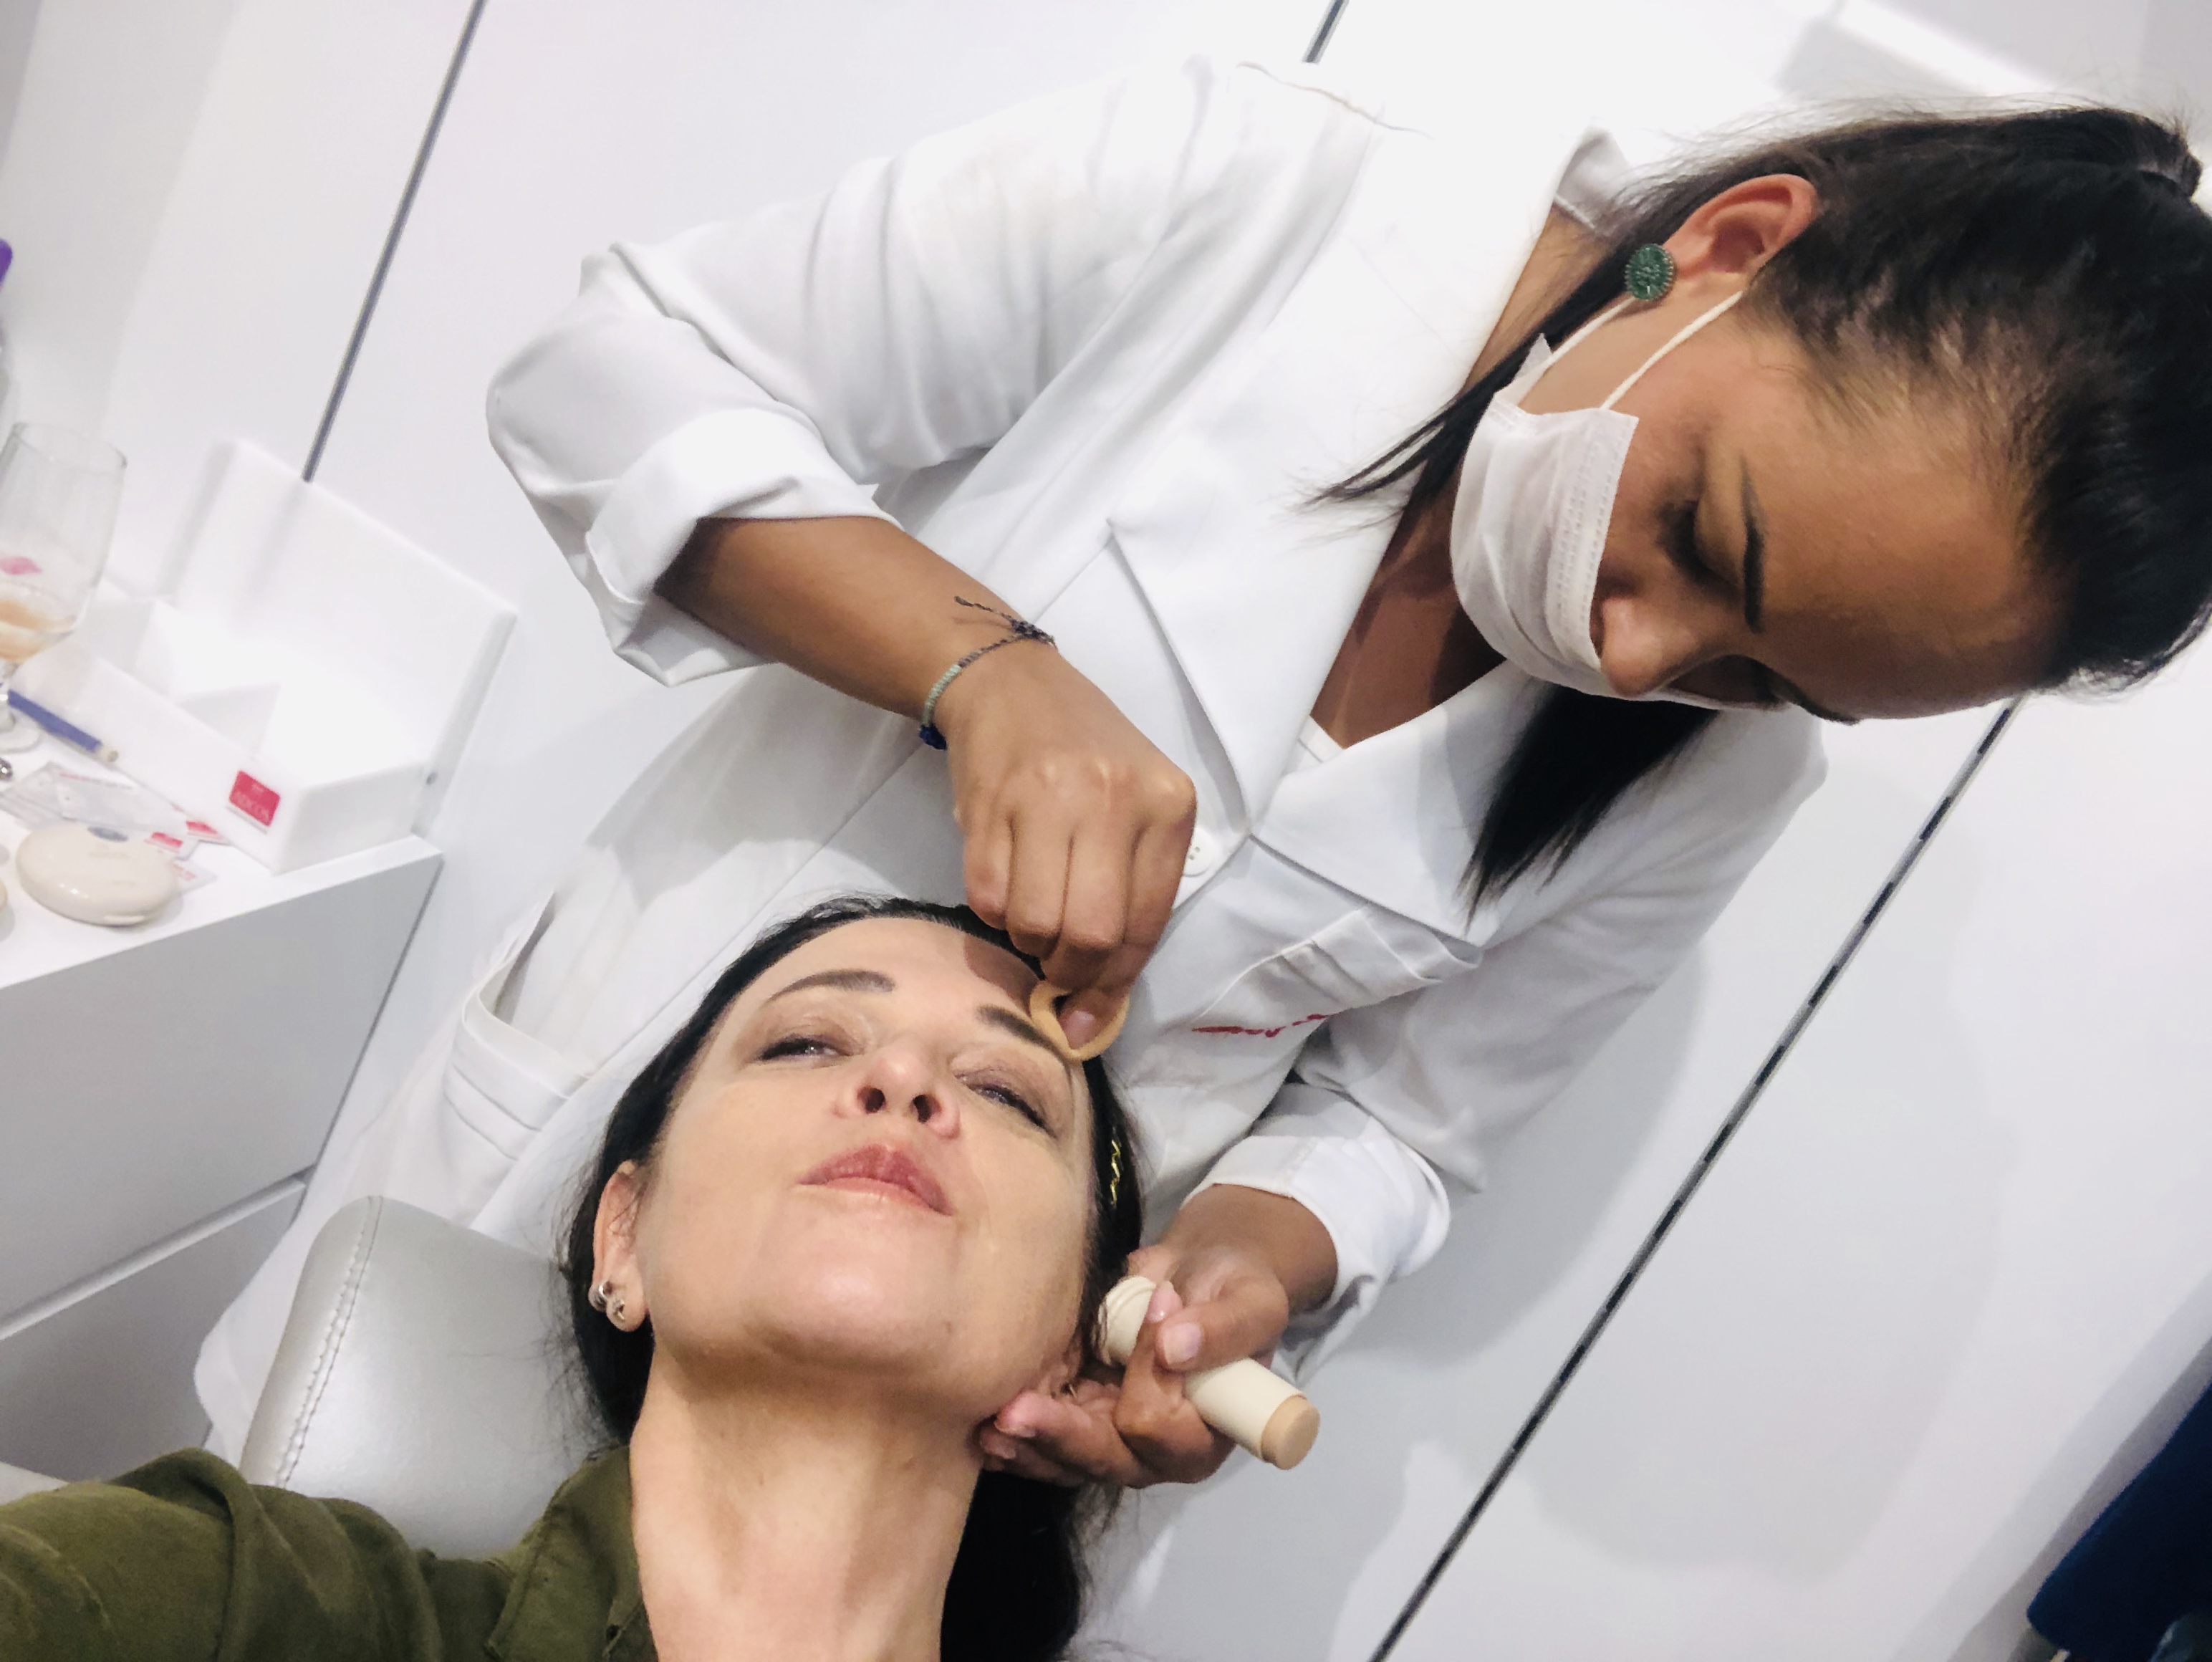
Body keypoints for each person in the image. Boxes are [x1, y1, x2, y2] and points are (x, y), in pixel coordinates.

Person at [198, 57, 2212, 1492]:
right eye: (1701, 534)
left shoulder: (1712, 778)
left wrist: (1248, 1260)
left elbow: (1406, 1128)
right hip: (575, 1175)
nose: (1641, 659)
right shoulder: (1266, 197)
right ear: (1730, 244)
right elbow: (608, 374)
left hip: (957, 1385)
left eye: (1768, 682)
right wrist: (979, 667)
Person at [4, 896, 1147, 1661]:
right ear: (624, 1237)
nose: (902, 1078)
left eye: (1006, 1091)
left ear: (1074, 1346)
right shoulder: (248, 1604)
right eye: (805, 1042)